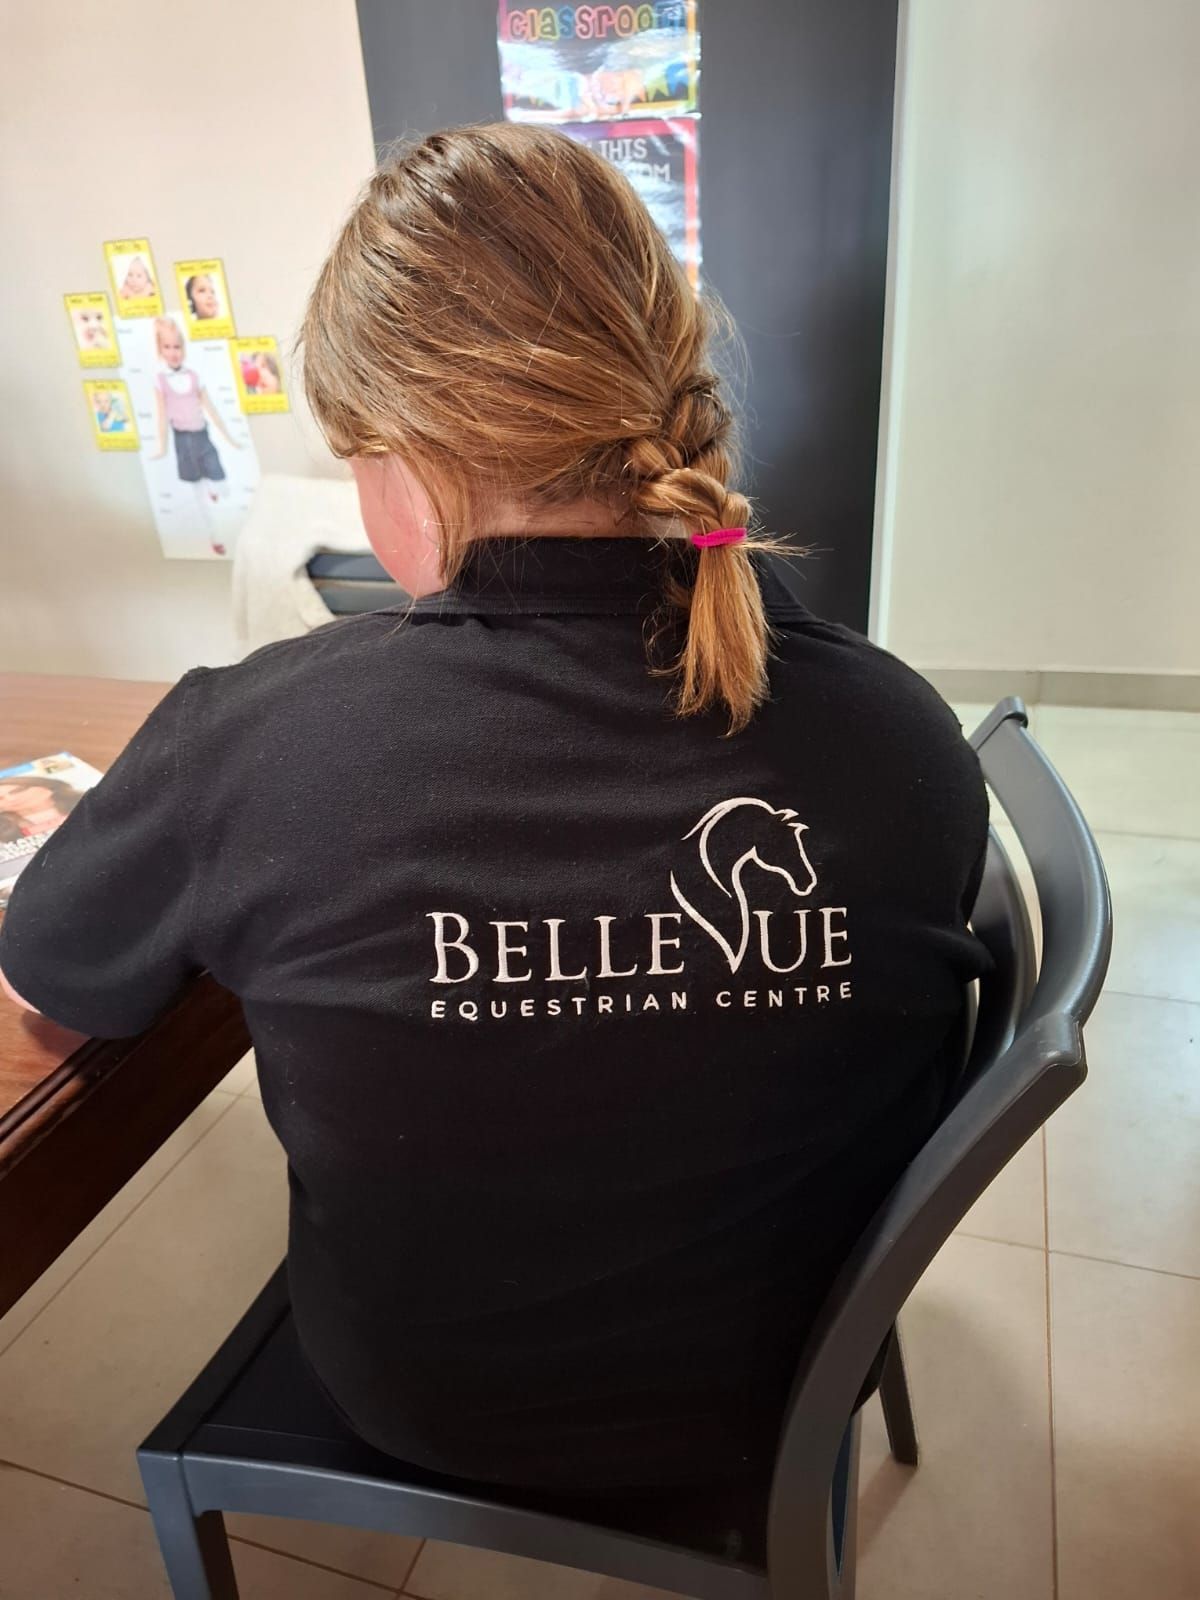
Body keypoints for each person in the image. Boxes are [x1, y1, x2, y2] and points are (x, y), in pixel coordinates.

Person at [0, 124, 990, 1495]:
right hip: (789, 1383)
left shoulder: (257, 745)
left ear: (406, 457)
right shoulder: (902, 738)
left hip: (437, 1407)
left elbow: (54, 993)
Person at [148, 317, 240, 556]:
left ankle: (214, 488)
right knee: (200, 495)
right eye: (167, 347)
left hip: (202, 435)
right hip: (183, 440)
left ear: (183, 348)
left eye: (176, 346)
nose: (173, 352)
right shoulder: (161, 381)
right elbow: (161, 416)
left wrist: (229, 437)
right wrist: (162, 446)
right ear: (160, 350)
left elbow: (211, 409)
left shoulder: (193, 377)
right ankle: (215, 536)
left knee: (222, 483)